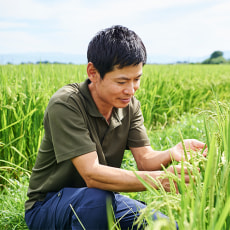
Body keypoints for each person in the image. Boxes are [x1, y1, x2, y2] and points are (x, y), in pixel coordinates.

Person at [25, 25, 207, 230]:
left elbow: (145, 160)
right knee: (97, 200)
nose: (130, 90)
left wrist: (172, 153)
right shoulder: (66, 103)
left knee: (166, 226)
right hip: (49, 206)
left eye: (136, 79)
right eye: (122, 81)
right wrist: (160, 180)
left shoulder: (129, 105)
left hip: (104, 199)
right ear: (93, 72)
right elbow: (91, 174)